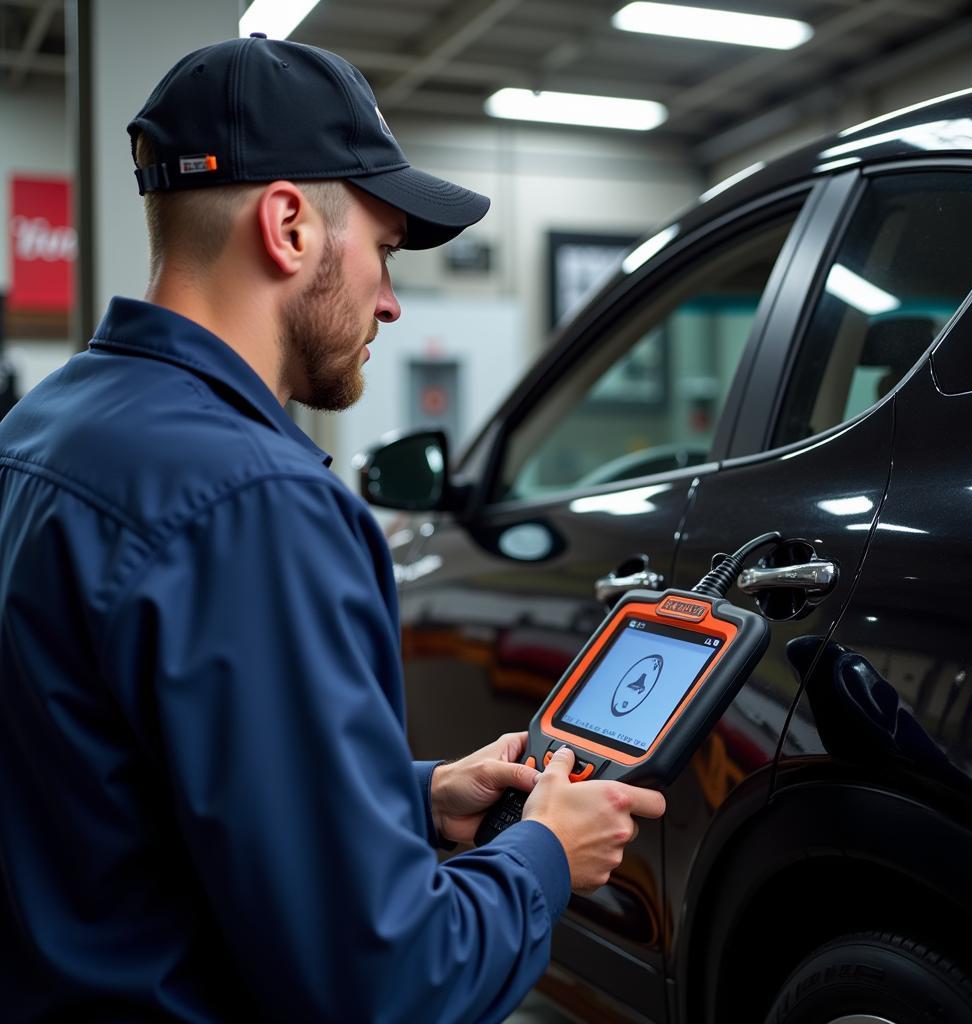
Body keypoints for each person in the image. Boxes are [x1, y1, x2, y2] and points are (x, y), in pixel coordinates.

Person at [0, 34, 665, 1024]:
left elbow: (115, 786)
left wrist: (414, 794)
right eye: (386, 251)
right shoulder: (255, 505)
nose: (391, 301)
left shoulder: (41, 430)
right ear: (289, 227)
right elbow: (383, 983)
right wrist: (542, 855)